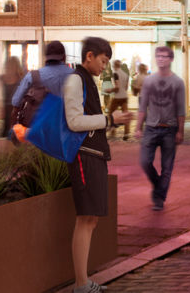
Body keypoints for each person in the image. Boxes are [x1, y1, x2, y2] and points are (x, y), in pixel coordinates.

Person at [64, 36, 134, 293]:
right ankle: (80, 284)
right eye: (103, 61)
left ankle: (83, 282)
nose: (105, 67)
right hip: (84, 155)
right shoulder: (75, 80)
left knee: (90, 219)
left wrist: (111, 121)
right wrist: (109, 119)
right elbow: (74, 121)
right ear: (89, 55)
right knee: (85, 218)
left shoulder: (85, 81)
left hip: (93, 154)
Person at [136, 44, 186, 211]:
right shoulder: (149, 81)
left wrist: (180, 130)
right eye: (158, 56)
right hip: (151, 128)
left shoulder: (178, 82)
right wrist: (138, 127)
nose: (161, 59)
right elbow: (143, 105)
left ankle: (159, 198)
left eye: (164, 56)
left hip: (170, 130)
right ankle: (158, 186)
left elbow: (181, 108)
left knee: (167, 167)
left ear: (171, 59)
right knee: (145, 162)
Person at [103, 59, 132, 141]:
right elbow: (126, 87)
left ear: (115, 65)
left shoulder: (115, 74)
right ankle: (126, 133)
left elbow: (117, 87)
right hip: (124, 97)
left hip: (117, 97)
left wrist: (109, 90)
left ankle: (112, 130)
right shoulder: (126, 74)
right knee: (125, 115)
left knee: (110, 113)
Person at [0, 54, 23, 139]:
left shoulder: (21, 79)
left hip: (16, 109)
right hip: (7, 109)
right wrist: (0, 107)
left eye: (12, 66)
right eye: (9, 66)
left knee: (16, 131)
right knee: (6, 129)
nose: (10, 69)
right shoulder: (1, 79)